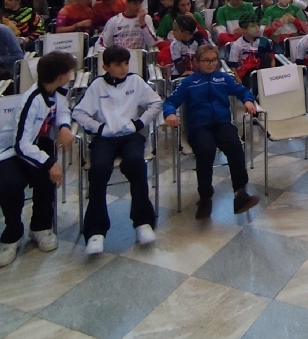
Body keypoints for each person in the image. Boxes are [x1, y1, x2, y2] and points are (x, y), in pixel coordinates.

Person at [0, 51, 76, 268]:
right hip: (11, 152)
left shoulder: (58, 92)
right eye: (70, 72)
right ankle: (12, 234)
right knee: (11, 185)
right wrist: (49, 163)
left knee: (46, 181)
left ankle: (40, 227)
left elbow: (62, 111)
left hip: (38, 146)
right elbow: (21, 144)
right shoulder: (31, 100)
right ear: (61, 76)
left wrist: (64, 127)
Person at [72, 46, 163, 255]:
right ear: (106, 67)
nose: (123, 68)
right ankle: (96, 231)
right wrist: (99, 128)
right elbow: (79, 113)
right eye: (117, 65)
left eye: (125, 64)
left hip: (130, 136)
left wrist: (139, 124)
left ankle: (142, 222)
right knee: (99, 170)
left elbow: (155, 103)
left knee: (136, 165)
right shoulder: (97, 86)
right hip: (104, 138)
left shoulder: (135, 81)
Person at [162, 44, 261, 219]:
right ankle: (205, 196)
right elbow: (170, 101)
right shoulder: (189, 83)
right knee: (205, 151)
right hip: (199, 126)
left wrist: (247, 100)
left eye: (214, 60)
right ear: (197, 62)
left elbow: (242, 91)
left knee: (235, 147)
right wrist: (170, 113)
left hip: (222, 123)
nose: (210, 64)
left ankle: (240, 193)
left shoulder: (223, 79)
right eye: (206, 60)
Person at [168, 13, 209, 78]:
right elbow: (178, 62)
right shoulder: (175, 44)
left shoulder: (200, 42)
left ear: (186, 33)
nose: (173, 33)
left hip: (198, 73)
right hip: (180, 75)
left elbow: (206, 57)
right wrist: (185, 72)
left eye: (175, 30)